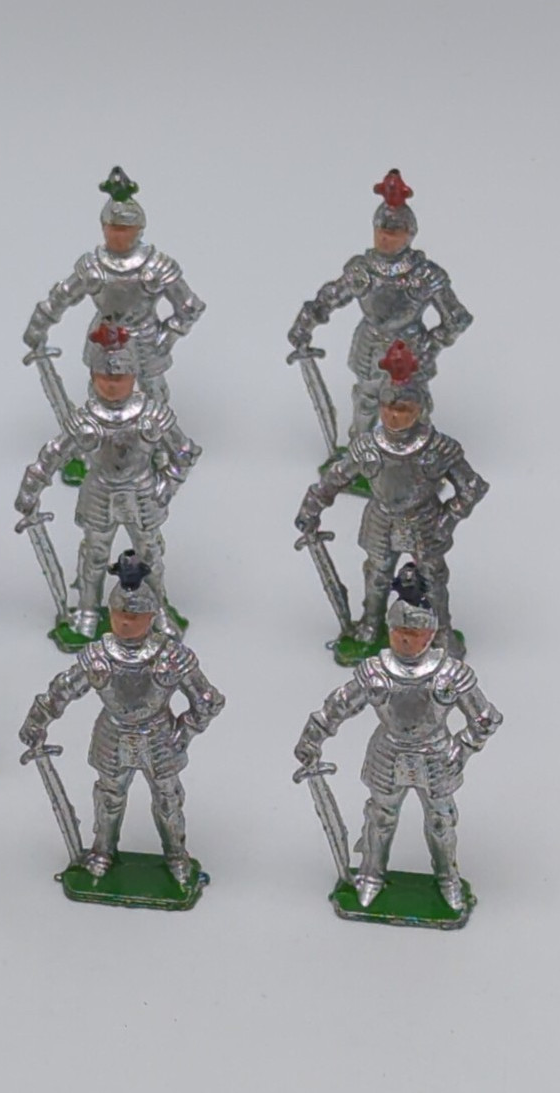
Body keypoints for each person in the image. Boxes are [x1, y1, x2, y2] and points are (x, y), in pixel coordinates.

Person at [294, 570, 502, 910]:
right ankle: (371, 874)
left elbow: (486, 718)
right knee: (380, 816)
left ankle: (447, 877)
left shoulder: (449, 673)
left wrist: (462, 749)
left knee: (441, 820)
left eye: (413, 633)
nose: (405, 640)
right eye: (399, 632)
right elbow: (339, 705)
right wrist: (312, 738)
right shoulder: (376, 671)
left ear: (429, 634)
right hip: (388, 751)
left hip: (436, 753)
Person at [19, 552, 224, 884]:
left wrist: (184, 732)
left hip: (159, 734)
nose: (125, 622)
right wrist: (37, 720)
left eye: (133, 615)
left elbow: (208, 700)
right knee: (108, 797)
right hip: (113, 733)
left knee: (168, 799)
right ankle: (103, 851)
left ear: (150, 616)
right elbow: (63, 689)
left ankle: (176, 854)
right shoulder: (99, 655)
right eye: (119, 614)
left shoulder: (170, 655)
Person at [295, 340, 487, 654]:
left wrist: (448, 519)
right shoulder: (368, 447)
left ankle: (441, 630)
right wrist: (311, 508)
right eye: (388, 407)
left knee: (432, 578)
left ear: (419, 409)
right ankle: (371, 623)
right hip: (381, 518)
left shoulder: (438, 448)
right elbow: (335, 478)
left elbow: (473, 487)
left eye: (402, 409)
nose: (394, 415)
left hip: (424, 519)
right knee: (377, 574)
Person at [15, 332, 199, 637]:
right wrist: (30, 489)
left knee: (150, 554)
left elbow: (184, 452)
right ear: (92, 376)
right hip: (99, 493)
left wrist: (166, 488)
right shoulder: (86, 419)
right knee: (94, 554)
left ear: (133, 375)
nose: (112, 384)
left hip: (142, 493)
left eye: (120, 376)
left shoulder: (151, 414)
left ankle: (158, 609)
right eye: (104, 376)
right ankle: (88, 609)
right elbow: (54, 454)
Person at [287, 168, 473, 437]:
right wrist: (304, 325)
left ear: (409, 233)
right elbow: (328, 298)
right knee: (366, 398)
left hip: (410, 346)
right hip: (370, 342)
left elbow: (457, 318)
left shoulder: (424, 275)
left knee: (412, 402)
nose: (386, 236)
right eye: (381, 229)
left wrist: (430, 346)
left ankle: (415, 450)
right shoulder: (363, 270)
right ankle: (359, 449)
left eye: (395, 230)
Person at [23, 166, 205, 404]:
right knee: (101, 396)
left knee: (154, 399)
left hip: (145, 340)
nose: (118, 235)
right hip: (104, 339)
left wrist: (166, 338)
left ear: (138, 230)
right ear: (104, 229)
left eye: (125, 229)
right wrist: (38, 327)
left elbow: (190, 306)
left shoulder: (155, 265)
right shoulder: (94, 267)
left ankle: (154, 430)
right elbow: (62, 296)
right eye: (113, 229)